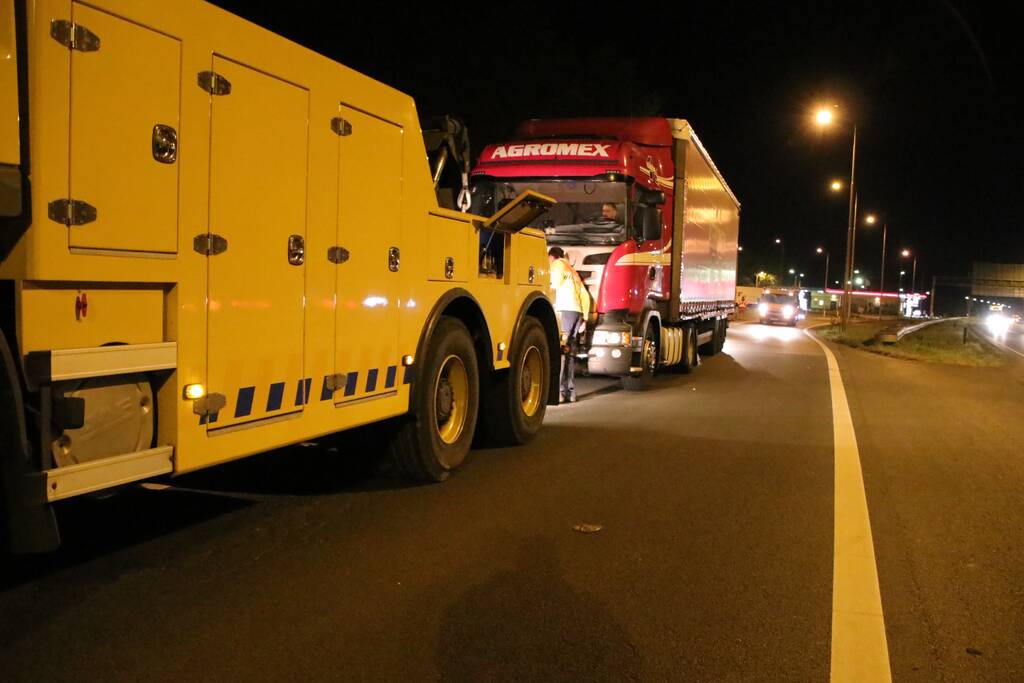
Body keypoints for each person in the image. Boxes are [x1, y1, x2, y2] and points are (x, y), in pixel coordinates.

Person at [548, 247, 590, 403]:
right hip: (576, 313)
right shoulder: (573, 271)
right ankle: (570, 393)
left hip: (564, 310)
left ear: (552, 257)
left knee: (560, 351)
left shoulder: (557, 265)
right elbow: (585, 295)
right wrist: (585, 318)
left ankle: (558, 393)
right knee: (569, 354)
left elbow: (553, 286)